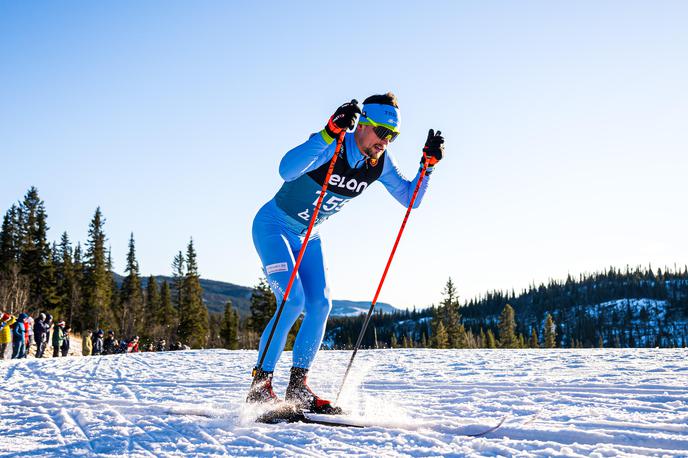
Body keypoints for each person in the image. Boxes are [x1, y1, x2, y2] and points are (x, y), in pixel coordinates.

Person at [246, 93, 444, 413]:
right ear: (363, 123)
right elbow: (285, 170)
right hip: (274, 226)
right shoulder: (331, 144)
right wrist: (328, 131)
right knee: (292, 300)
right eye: (382, 132)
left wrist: (427, 167)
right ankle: (260, 387)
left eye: (393, 136)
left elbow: (410, 199)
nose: (385, 142)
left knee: (321, 305)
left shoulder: (378, 164)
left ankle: (298, 388)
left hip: (309, 236)